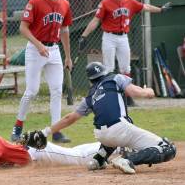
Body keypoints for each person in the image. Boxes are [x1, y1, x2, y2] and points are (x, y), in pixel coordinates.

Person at [33, 62, 176, 174]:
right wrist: (148, 91)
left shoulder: (90, 95)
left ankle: (98, 160)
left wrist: (45, 132)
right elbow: (135, 92)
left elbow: (69, 118)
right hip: (119, 130)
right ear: (104, 72)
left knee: (116, 132)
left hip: (102, 136)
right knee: (168, 148)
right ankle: (127, 160)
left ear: (91, 80)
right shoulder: (115, 78)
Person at [78, 0, 172, 106]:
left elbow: (145, 6)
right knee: (108, 68)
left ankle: (127, 97)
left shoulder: (130, 2)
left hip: (123, 37)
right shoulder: (105, 3)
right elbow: (96, 20)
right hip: (109, 37)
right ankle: (109, 97)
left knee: (126, 68)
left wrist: (160, 9)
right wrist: (84, 35)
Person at [10, 0, 73, 143]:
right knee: (32, 90)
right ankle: (17, 127)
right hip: (35, 49)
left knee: (57, 90)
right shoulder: (35, 2)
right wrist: (38, 45)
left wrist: (68, 56)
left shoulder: (65, 4)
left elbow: (65, 30)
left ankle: (56, 131)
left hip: (54, 50)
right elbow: (23, 28)